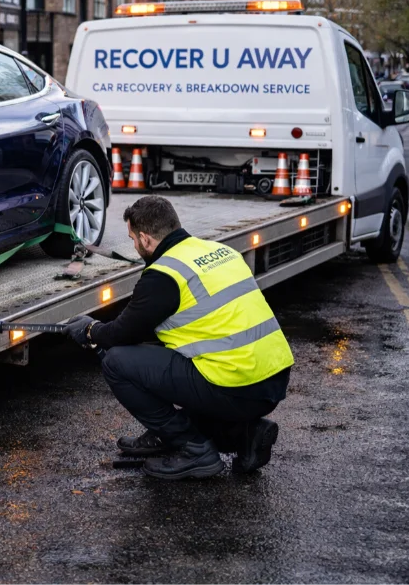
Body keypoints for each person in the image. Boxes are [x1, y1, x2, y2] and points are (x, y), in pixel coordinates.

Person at [64, 196, 293, 480]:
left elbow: (121, 334)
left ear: (146, 239)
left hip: (236, 384)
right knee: (169, 360)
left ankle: (194, 450)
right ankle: (244, 434)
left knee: (116, 362)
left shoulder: (163, 275)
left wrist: (89, 330)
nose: (134, 246)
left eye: (133, 239)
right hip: (273, 378)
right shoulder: (220, 250)